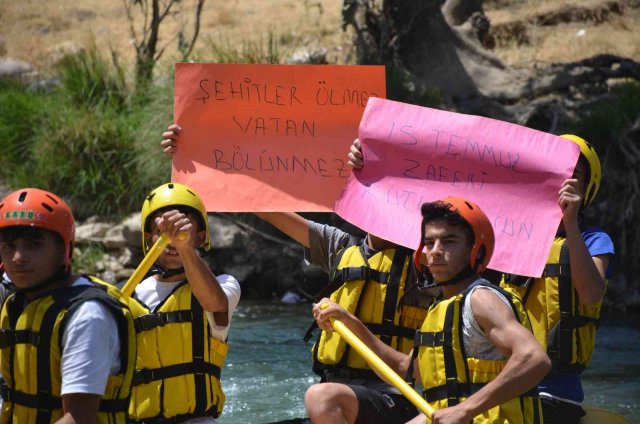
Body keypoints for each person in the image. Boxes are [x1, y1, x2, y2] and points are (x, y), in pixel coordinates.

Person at [161, 124, 435, 424]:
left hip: (395, 400)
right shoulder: (340, 246)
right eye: (374, 188)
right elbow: (261, 203)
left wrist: (352, 326)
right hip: (338, 392)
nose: (382, 201)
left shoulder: (430, 262)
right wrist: (195, 154)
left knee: (322, 397)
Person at [314, 197, 551, 424]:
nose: (435, 251)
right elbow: (404, 370)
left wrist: (464, 409)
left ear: (476, 251)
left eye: (449, 241)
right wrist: (350, 322)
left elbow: (534, 359)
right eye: (429, 243)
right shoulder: (439, 309)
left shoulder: (481, 298)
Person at [499, 134, 614, 424]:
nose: (563, 181)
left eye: (574, 175)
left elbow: (590, 294)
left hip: (553, 394)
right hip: (497, 385)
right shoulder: (506, 235)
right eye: (557, 170)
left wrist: (571, 223)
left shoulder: (593, 240)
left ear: (586, 190)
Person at [0, 188, 137, 423]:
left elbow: (78, 418)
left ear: (65, 250)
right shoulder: (15, 304)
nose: (18, 257)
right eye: (8, 246)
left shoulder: (87, 314)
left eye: (34, 245)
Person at [127, 182, 241, 424]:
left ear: (200, 237)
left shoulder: (225, 284)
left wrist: (186, 249)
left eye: (181, 231)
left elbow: (215, 304)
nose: (171, 241)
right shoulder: (130, 296)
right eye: (162, 232)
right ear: (149, 238)